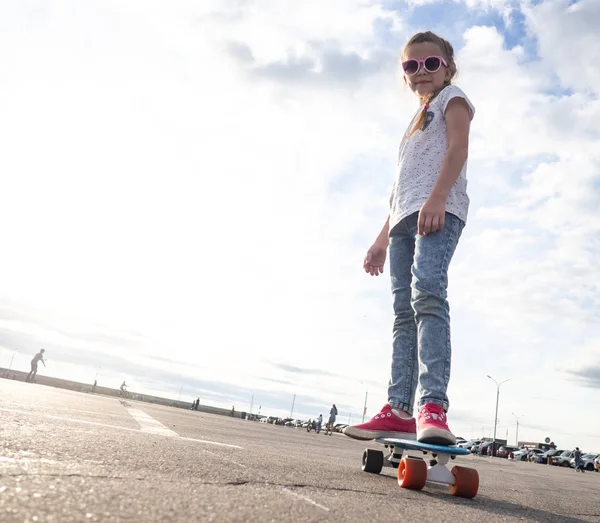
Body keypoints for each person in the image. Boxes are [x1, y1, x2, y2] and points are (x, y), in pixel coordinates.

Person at [343, 31, 474, 446]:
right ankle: (399, 408)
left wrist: (438, 199)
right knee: (403, 312)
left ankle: (432, 405)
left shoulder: (453, 99)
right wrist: (381, 238)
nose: (421, 72)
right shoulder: (413, 124)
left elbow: (458, 151)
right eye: (411, 66)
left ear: (447, 67)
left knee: (428, 295)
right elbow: (401, 192)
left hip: (439, 212)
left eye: (430, 63)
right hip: (403, 222)